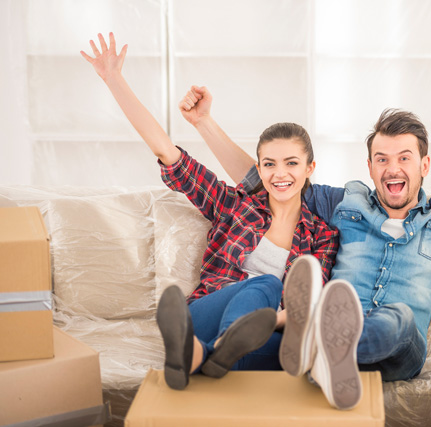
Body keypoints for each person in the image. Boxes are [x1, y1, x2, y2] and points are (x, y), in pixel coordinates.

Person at [182, 55, 431, 385]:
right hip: (331, 325)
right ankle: (307, 359)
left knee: (397, 317)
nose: (393, 167)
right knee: (273, 341)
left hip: (398, 348)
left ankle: (320, 353)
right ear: (370, 167)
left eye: (404, 157)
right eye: (382, 159)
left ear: (424, 165)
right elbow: (268, 180)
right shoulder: (344, 203)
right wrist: (204, 123)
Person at [80, 33, 362, 410]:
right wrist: (114, 79)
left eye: (292, 163)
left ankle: (197, 357)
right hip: (206, 311)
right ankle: (222, 342)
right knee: (263, 283)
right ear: (258, 169)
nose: (281, 174)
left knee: (286, 350)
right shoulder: (233, 205)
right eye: (270, 164)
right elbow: (167, 150)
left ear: (310, 168)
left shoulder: (322, 236)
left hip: (268, 332)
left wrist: (272, 321)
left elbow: (306, 305)